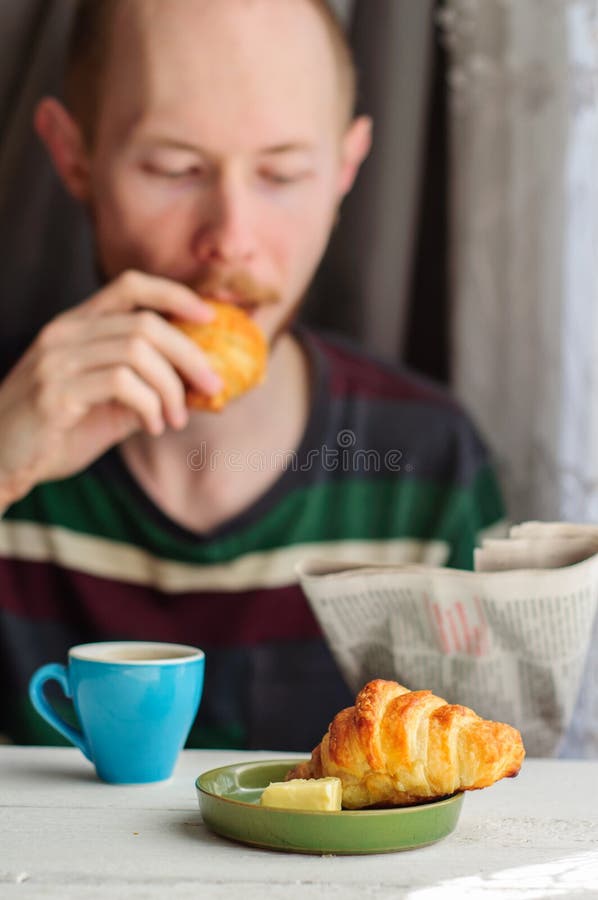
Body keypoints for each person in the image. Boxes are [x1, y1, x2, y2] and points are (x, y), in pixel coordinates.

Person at [0, 0, 504, 751]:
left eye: (280, 173)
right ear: (75, 155)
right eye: (175, 168)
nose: (230, 240)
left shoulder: (430, 464)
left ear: (344, 169)